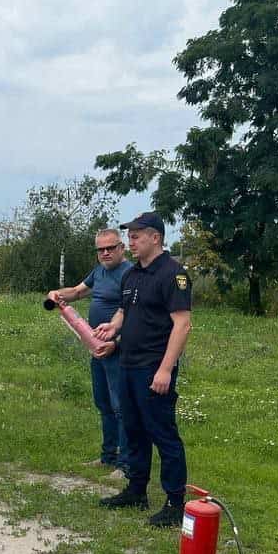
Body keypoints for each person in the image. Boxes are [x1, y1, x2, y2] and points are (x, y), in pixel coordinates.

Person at [93, 212, 192, 527]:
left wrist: (165, 370)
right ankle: (136, 490)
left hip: (153, 368)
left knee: (163, 434)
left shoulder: (173, 274)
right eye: (130, 236)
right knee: (133, 431)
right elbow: (125, 309)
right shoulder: (132, 274)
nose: (130, 242)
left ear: (155, 238)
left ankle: (175, 504)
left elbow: (182, 325)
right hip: (127, 364)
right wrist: (112, 327)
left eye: (135, 236)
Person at [48, 229, 134, 479]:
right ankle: (108, 456)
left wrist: (116, 342)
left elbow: (133, 313)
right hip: (96, 347)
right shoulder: (99, 271)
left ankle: (126, 464)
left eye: (111, 248)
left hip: (117, 349)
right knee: (104, 403)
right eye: (100, 249)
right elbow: (76, 291)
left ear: (122, 248)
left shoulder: (129, 274)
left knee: (121, 407)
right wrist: (57, 294)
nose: (105, 253)